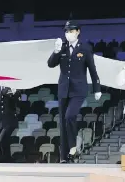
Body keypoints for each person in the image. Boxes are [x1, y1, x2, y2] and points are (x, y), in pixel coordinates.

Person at [47, 20, 102, 163]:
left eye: (71, 31)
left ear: (78, 32)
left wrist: (97, 88)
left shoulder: (85, 48)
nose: (68, 34)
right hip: (63, 89)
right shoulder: (63, 47)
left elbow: (92, 69)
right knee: (63, 123)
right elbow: (50, 64)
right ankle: (64, 157)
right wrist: (56, 51)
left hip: (78, 89)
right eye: (66, 31)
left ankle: (72, 147)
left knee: (69, 116)